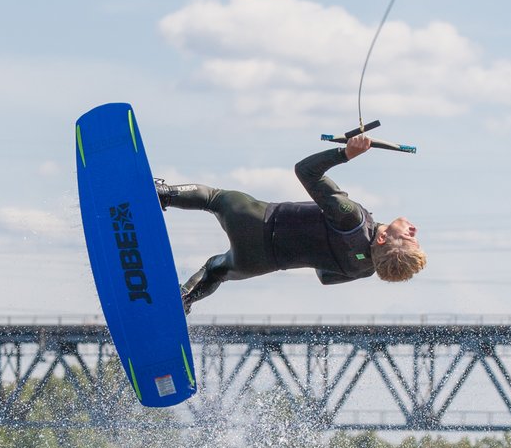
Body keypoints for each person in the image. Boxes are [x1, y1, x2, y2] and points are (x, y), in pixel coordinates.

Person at [155, 132, 426, 314]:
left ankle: (161, 195)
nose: (413, 230)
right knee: (216, 270)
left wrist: (345, 154)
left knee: (215, 199)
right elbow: (324, 276)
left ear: (382, 239)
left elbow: (305, 170)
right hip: (261, 262)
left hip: (257, 222)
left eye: (409, 236)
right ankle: (182, 302)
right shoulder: (364, 269)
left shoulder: (351, 218)